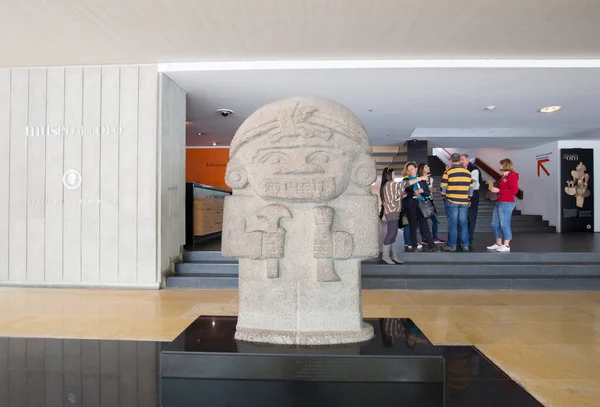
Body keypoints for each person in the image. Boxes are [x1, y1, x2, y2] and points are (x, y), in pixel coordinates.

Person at [402, 162, 438, 252]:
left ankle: (432, 245)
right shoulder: (405, 180)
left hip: (421, 203)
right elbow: (405, 193)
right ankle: (414, 245)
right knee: (413, 225)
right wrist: (414, 192)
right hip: (411, 204)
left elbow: (427, 192)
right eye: (409, 170)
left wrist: (422, 191)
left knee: (424, 224)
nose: (410, 171)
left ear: (416, 169)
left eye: (412, 169)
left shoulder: (422, 179)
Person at [441, 153, 473, 252]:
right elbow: (471, 189)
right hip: (463, 201)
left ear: (451, 160)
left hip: (451, 201)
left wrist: (444, 196)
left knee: (453, 223)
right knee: (463, 223)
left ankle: (452, 245)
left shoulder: (448, 172)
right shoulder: (468, 172)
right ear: (460, 160)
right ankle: (465, 245)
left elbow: (443, 188)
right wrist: (468, 198)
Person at [487, 159, 519, 252]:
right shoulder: (504, 176)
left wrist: (499, 190)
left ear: (505, 165)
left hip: (507, 202)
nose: (500, 166)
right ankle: (498, 243)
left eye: (501, 165)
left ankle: (506, 245)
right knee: (495, 224)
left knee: (504, 224)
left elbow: (514, 191)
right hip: (499, 202)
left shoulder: (512, 175)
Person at [380, 167, 404, 264]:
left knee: (393, 233)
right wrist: (419, 179)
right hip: (391, 212)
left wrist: (400, 196)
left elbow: (394, 198)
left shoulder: (386, 186)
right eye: (393, 174)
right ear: (388, 175)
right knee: (391, 233)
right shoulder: (389, 185)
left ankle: (393, 255)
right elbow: (403, 185)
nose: (394, 176)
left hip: (394, 211)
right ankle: (385, 256)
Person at [417, 163, 444, 244]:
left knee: (435, 220)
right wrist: (428, 190)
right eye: (426, 167)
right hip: (422, 201)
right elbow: (420, 191)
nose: (428, 168)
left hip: (430, 201)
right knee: (423, 220)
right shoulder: (419, 179)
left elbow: (429, 189)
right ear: (422, 169)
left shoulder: (431, 179)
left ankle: (435, 237)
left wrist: (432, 190)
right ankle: (424, 238)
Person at [460, 154, 481, 248]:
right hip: (462, 194)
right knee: (462, 218)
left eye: (463, 159)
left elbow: (471, 181)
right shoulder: (461, 169)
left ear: (468, 160)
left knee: (471, 218)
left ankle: (469, 239)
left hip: (473, 195)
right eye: (460, 159)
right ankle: (462, 238)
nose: (461, 161)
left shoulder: (474, 169)